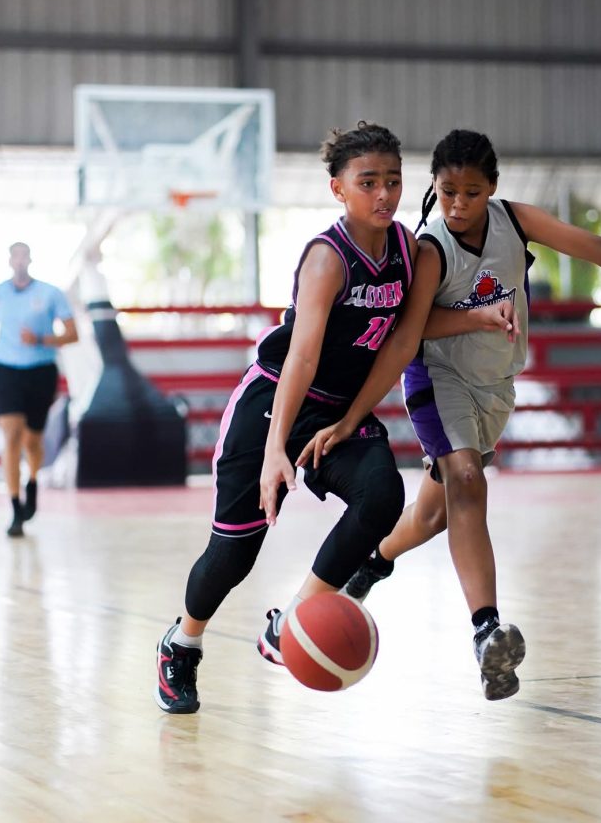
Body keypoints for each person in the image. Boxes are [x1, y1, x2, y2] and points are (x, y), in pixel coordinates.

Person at [298, 128, 601, 701]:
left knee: (435, 516)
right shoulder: (430, 248)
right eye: (448, 191)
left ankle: (371, 565)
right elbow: (407, 338)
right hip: (439, 378)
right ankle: (486, 631)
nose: (459, 204)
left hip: (496, 386)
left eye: (472, 192)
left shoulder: (515, 220)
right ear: (435, 187)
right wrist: (355, 415)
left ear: (493, 189)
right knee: (465, 478)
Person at [153, 122, 513, 714]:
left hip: (338, 413)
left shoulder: (409, 249)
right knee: (235, 554)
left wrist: (478, 318)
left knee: (381, 495)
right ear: (337, 189)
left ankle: (290, 621)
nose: (384, 195)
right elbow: (301, 356)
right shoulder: (327, 258)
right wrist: (275, 450)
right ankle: (182, 642)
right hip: (274, 406)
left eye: (393, 182)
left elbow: (407, 332)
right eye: (367, 182)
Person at [0, 242, 78, 537]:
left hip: (41, 371)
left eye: (24, 255)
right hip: (7, 370)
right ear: (10, 260)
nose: (20, 260)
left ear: (30, 260)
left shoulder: (50, 293)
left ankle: (32, 480)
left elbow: (72, 334)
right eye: (15, 255)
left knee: (32, 440)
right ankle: (14, 507)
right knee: (10, 434)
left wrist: (40, 339)